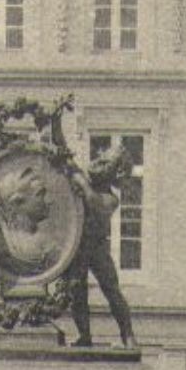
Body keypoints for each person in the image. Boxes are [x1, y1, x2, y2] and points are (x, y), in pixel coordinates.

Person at [67, 144, 138, 347]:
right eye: (100, 155)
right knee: (76, 291)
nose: (98, 158)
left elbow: (93, 201)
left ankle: (127, 333)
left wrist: (79, 180)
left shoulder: (110, 199)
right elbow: (63, 148)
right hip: (76, 247)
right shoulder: (81, 177)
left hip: (97, 247)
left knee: (111, 290)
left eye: (106, 161)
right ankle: (84, 335)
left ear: (116, 172)